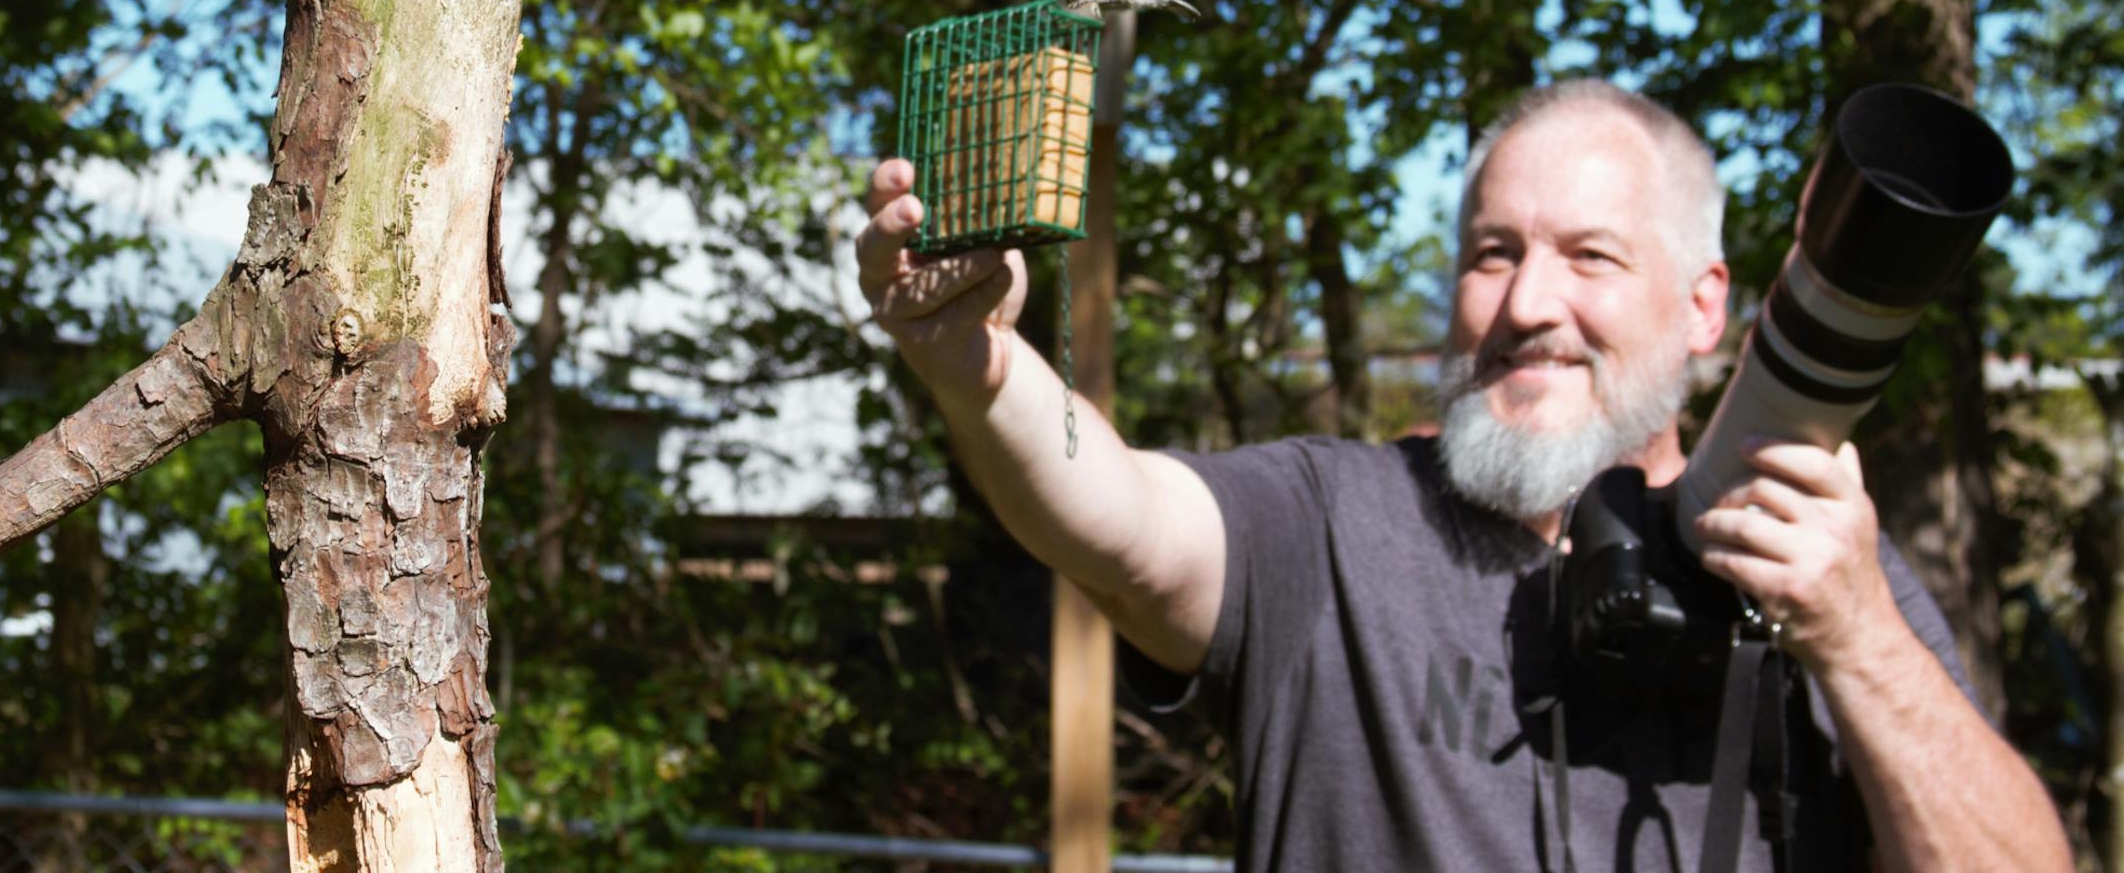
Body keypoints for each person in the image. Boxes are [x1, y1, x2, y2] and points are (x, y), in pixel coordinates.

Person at [854, 78, 2070, 872]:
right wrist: (976, 364)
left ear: (1707, 307)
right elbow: (1111, 512)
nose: (1530, 306)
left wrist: (1857, 641)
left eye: (1590, 256)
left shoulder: (1822, 570)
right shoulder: (1328, 523)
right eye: (1495, 254)